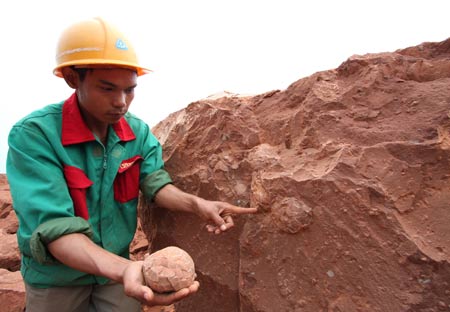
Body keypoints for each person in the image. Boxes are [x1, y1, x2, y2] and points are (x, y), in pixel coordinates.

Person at [6, 17, 257, 312]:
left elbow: (155, 183)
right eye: (108, 88)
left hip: (116, 274)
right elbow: (55, 230)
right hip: (57, 279)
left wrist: (197, 205)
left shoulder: (136, 132)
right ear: (73, 79)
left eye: (130, 89)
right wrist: (125, 270)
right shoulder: (35, 136)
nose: (121, 102)